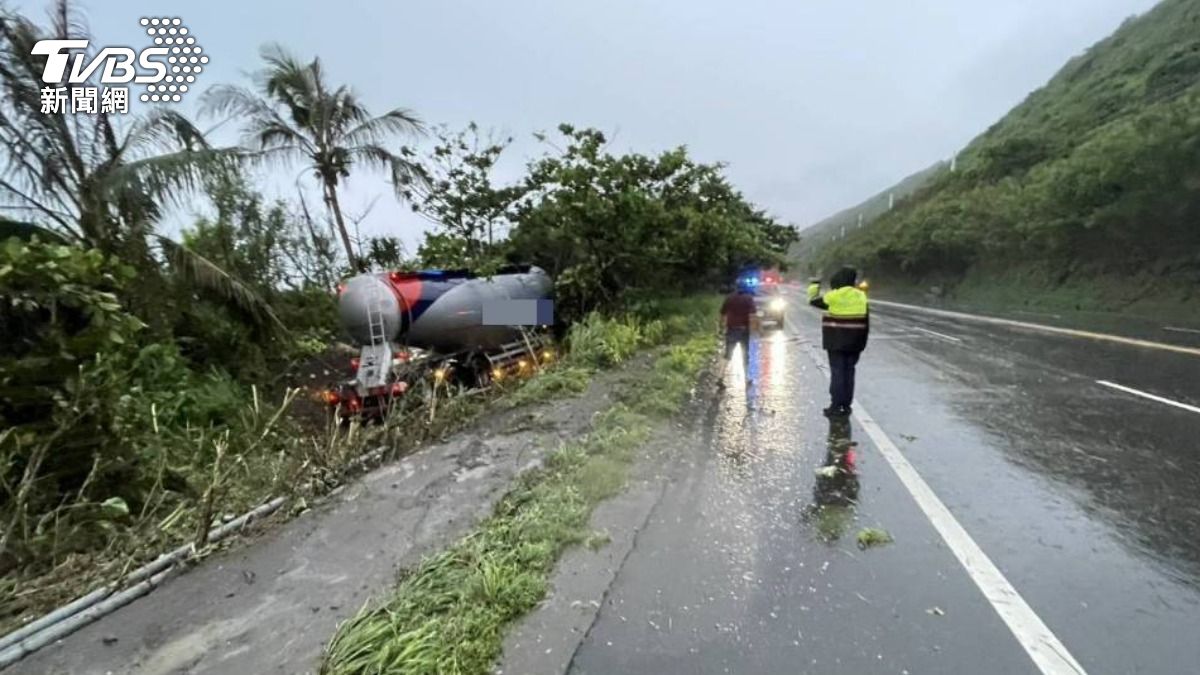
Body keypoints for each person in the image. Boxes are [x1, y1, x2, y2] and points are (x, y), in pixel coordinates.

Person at [808, 266, 869, 417]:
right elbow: (866, 323)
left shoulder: (833, 296)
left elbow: (813, 300)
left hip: (835, 342)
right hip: (855, 343)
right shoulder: (861, 296)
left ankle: (835, 405)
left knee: (837, 373)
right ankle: (846, 406)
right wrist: (862, 343)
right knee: (849, 372)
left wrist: (815, 283)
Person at [718, 284, 756, 385]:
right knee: (745, 355)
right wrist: (754, 329)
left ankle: (720, 377)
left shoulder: (729, 298)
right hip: (744, 330)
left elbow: (722, 313)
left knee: (727, 354)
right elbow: (753, 315)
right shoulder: (749, 299)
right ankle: (746, 379)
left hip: (731, 330)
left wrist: (720, 327)